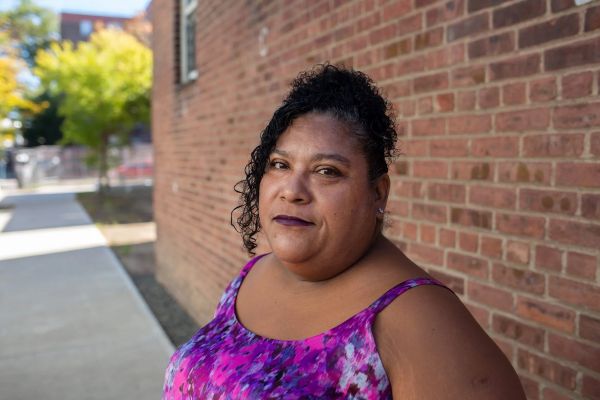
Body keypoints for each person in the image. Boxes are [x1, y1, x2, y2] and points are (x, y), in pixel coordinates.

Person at [162, 64, 526, 399]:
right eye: (280, 164)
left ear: (378, 193)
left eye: (327, 171)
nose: (292, 190)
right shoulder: (248, 276)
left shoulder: (423, 324)